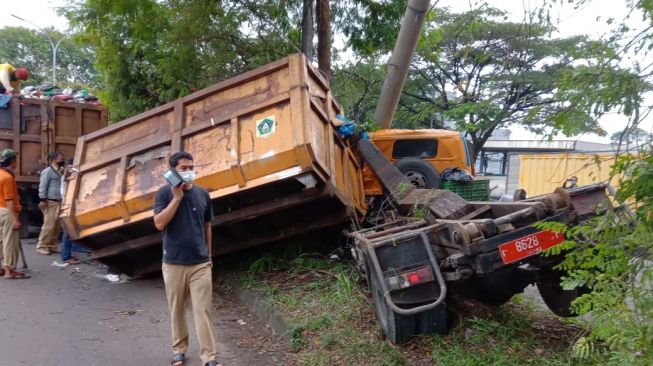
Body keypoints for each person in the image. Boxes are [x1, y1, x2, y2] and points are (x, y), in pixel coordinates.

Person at [153, 151, 221, 366]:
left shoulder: (203, 194)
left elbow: (207, 225)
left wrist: (209, 256)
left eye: (191, 167)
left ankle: (209, 357)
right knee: (177, 309)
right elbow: (159, 224)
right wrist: (177, 198)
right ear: (172, 170)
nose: (189, 172)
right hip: (173, 263)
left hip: (200, 264)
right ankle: (179, 350)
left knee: (203, 310)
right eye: (183, 168)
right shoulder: (164, 194)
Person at [0, 149, 29, 279]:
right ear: (12, 161)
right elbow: (9, 199)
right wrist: (14, 219)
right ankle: (9, 270)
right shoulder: (7, 177)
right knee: (10, 242)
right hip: (7, 212)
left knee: (1, 241)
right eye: (15, 160)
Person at [36, 151, 65, 255]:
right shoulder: (48, 171)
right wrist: (42, 199)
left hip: (59, 202)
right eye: (61, 159)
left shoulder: (60, 171)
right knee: (49, 225)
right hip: (50, 202)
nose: (62, 161)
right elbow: (43, 186)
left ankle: (52, 245)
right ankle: (42, 246)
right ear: (54, 160)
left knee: (56, 226)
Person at [59, 158, 81, 264]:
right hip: (67, 205)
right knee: (67, 232)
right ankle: (66, 257)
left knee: (70, 231)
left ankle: (69, 254)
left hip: (67, 205)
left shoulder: (68, 175)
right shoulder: (68, 175)